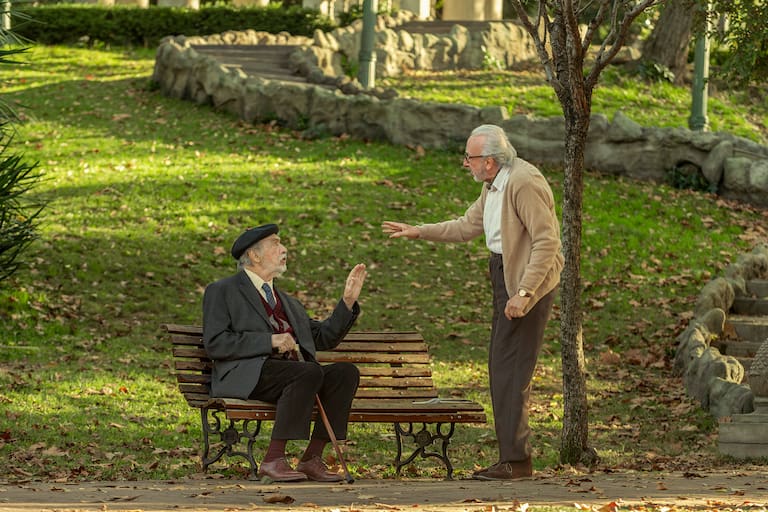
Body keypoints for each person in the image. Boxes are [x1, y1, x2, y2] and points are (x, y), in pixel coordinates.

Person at [381, 124, 563, 480]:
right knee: (501, 370)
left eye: (471, 157)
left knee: (511, 372)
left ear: (491, 161)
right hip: (505, 277)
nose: (466, 163)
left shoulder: (523, 183)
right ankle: (513, 458)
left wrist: (524, 293)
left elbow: (547, 242)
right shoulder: (491, 185)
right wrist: (420, 230)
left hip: (528, 282)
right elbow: (467, 226)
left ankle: (517, 462)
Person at [202, 223, 367, 482]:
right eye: (276, 243)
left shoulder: (288, 302)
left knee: (344, 373)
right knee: (306, 372)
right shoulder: (223, 291)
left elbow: (323, 338)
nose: (284, 249)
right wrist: (268, 341)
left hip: (293, 375)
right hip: (245, 375)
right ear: (254, 255)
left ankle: (312, 459)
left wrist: (346, 303)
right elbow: (216, 343)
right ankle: (273, 459)